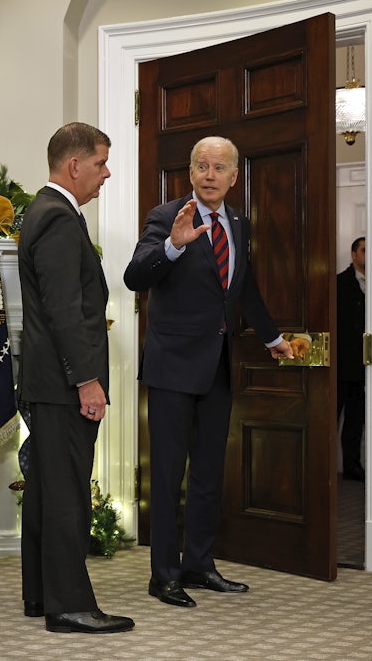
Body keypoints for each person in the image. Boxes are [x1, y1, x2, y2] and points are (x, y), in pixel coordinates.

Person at [123, 135, 293, 609]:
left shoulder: (238, 223)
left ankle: (198, 564)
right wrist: (173, 248)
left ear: (234, 177)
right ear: (191, 172)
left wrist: (273, 338)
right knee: (167, 475)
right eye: (202, 166)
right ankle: (164, 576)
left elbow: (243, 289)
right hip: (172, 368)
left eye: (220, 168)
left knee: (209, 475)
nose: (210, 175)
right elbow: (135, 277)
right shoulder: (166, 217)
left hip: (217, 368)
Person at [18, 122, 134, 635]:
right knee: (65, 493)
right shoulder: (60, 219)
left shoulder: (45, 212)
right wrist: (87, 381)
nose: (106, 174)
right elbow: (65, 311)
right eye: (101, 163)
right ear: (74, 165)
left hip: (47, 381)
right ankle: (68, 605)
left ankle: (43, 594)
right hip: (64, 385)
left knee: (48, 490)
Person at [337, 237, 366, 481]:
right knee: (331, 417)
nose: (368, 255)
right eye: (364, 250)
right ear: (354, 255)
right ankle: (323, 467)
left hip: (362, 365)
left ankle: (352, 465)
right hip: (339, 364)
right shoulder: (338, 283)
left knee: (356, 422)